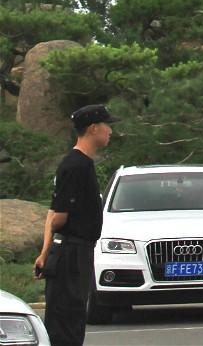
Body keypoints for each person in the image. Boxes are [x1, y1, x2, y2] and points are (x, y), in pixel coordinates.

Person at [33, 103, 117, 346]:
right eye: (107, 125)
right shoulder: (75, 165)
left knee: (74, 315)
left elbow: (52, 212)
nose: (110, 130)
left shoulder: (82, 163)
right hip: (71, 251)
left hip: (77, 250)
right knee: (66, 319)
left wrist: (43, 253)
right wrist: (48, 253)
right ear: (93, 128)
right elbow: (58, 215)